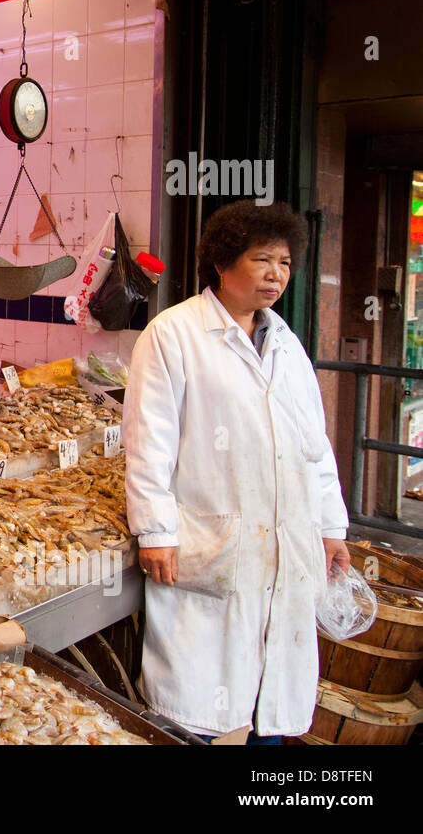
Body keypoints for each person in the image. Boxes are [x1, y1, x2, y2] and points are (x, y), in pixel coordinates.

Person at [123, 200, 351, 744]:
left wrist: (331, 527)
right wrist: (155, 530)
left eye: (286, 263)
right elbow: (148, 440)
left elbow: (313, 445)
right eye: (262, 260)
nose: (276, 274)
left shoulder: (288, 345)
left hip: (283, 547)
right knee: (199, 705)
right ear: (223, 264)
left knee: (269, 699)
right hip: (212, 540)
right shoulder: (173, 334)